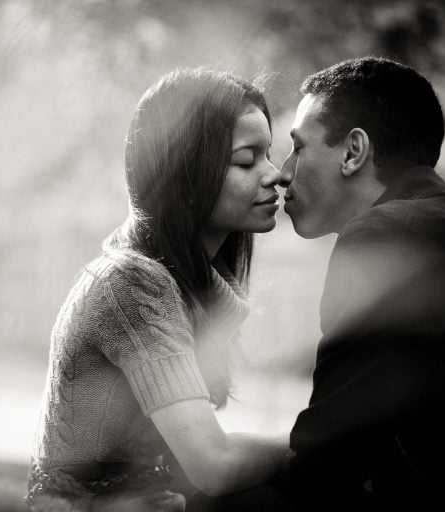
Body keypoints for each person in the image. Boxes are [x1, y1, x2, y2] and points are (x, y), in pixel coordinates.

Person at [190, 56, 445, 511]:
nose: (283, 173)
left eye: (299, 148)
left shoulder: (384, 236)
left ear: (353, 152)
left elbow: (323, 471)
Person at [26, 67, 289, 511]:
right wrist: (323, 437)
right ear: (184, 173)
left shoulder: (183, 287)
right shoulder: (132, 285)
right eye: (247, 160)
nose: (274, 175)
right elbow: (214, 463)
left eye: (270, 155)